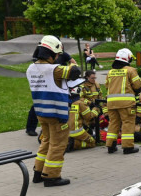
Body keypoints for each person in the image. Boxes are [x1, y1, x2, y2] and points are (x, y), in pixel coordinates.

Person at [26, 35, 81, 187]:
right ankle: (52, 176)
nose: (57, 58)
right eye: (57, 55)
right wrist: (71, 62)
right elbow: (75, 71)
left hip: (41, 113)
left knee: (46, 142)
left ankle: (38, 172)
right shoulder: (55, 70)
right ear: (51, 54)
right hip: (57, 114)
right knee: (58, 145)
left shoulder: (31, 68)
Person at [105, 48, 141, 154]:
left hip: (111, 103)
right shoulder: (130, 70)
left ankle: (110, 146)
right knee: (127, 123)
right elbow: (137, 85)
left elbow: (107, 86)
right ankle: (127, 147)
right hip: (126, 103)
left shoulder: (110, 72)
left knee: (113, 123)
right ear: (128, 59)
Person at [67, 86, 100, 151]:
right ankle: (73, 144)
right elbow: (89, 117)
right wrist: (95, 109)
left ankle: (70, 141)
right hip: (77, 131)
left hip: (66, 132)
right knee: (92, 142)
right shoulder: (80, 104)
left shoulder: (67, 102)